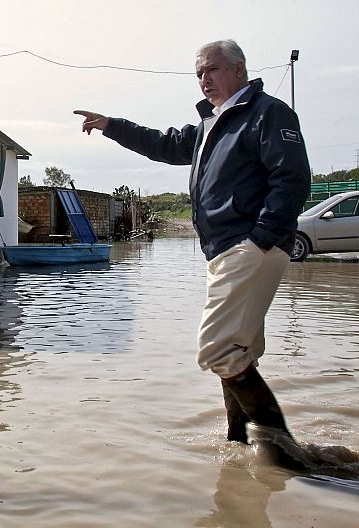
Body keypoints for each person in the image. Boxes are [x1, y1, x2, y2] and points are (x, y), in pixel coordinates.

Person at [75, 40, 311, 469]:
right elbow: (162, 145)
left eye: (213, 70)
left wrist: (261, 238)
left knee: (217, 350)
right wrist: (112, 125)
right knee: (238, 352)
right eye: (199, 73)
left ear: (239, 70)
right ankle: (238, 446)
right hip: (226, 250)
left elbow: (292, 179)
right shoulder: (209, 127)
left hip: (247, 246)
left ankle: (285, 454)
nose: (205, 79)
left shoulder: (267, 113)